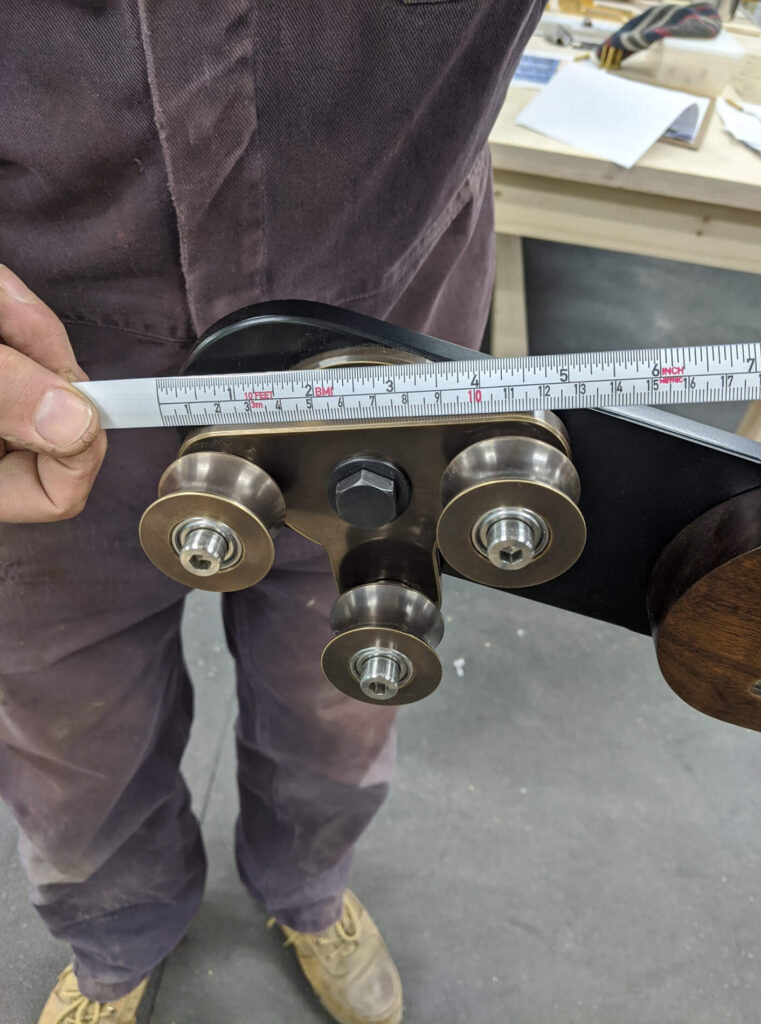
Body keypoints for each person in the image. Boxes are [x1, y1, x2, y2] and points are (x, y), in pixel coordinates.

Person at [0, 3, 545, 1022]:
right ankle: (117, 939)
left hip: (380, 302)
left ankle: (309, 888)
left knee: (343, 683)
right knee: (66, 719)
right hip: (39, 337)